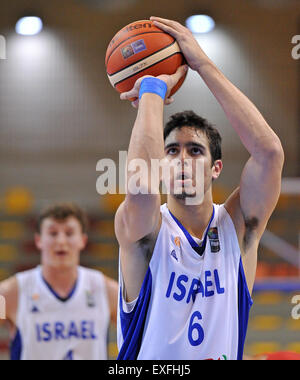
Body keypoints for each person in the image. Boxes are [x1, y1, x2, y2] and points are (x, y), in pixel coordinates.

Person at [115, 17, 284, 360]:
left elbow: (269, 153)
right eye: (171, 151)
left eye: (195, 151)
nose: (182, 159)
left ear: (215, 168)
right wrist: (151, 89)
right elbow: (142, 187)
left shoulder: (237, 229)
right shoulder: (146, 228)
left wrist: (203, 64)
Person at [0, 203, 118, 360]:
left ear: (82, 240)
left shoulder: (105, 290)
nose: (61, 241)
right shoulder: (12, 292)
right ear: (38, 240)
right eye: (53, 233)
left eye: (69, 233)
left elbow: (140, 338)